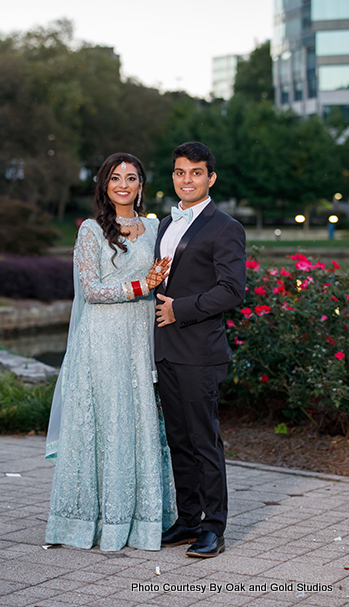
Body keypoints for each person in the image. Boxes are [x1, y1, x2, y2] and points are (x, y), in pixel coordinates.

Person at [45, 152, 176, 552]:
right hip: (101, 342)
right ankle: (91, 523)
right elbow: (91, 290)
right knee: (106, 425)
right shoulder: (91, 231)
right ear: (104, 184)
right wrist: (141, 285)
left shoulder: (156, 229)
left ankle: (143, 522)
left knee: (138, 424)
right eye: (115, 177)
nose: (123, 184)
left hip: (140, 340)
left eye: (131, 177)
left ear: (141, 185)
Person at [154, 141, 246, 558]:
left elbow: (232, 290)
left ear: (210, 178)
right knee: (178, 439)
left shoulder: (225, 227)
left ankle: (214, 527)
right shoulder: (164, 225)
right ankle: (188, 518)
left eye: (195, 172)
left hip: (200, 350)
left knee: (204, 440)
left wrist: (181, 310)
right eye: (179, 172)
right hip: (166, 351)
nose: (186, 179)